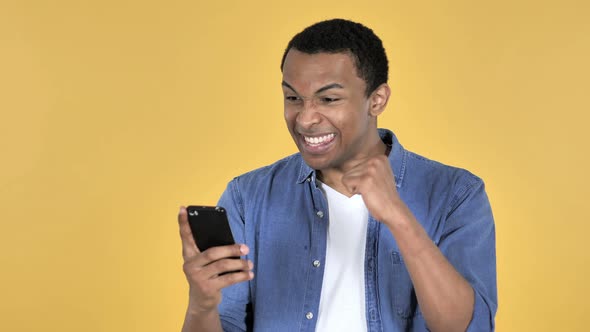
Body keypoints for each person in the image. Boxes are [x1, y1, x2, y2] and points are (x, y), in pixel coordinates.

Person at [178, 18, 497, 332]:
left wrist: (398, 216)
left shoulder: (456, 193)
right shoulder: (247, 197)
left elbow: (467, 327)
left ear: (377, 100)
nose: (305, 119)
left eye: (328, 99)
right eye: (292, 98)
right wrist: (201, 305)